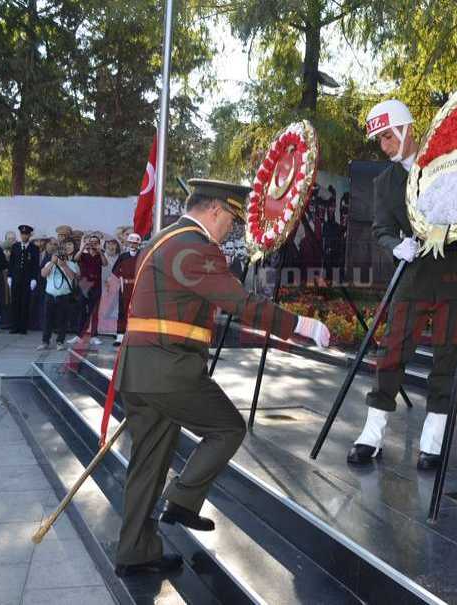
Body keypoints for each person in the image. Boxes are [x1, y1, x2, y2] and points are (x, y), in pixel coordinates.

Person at [113, 179, 330, 577]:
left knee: (146, 464)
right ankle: (181, 499)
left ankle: (135, 552)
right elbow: (240, 303)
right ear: (214, 211)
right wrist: (300, 324)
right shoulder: (195, 248)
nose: (230, 229)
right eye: (230, 219)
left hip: (138, 369)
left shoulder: (162, 239)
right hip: (169, 370)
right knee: (228, 428)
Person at [347, 99, 457, 471]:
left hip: (454, 271)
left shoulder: (445, 161)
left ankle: (433, 440)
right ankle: (373, 433)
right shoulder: (385, 182)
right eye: (380, 139)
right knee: (391, 352)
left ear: (406, 129)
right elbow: (382, 229)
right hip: (413, 274)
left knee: (447, 358)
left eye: (388, 136)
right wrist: (393, 245)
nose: (385, 146)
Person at [38, 240, 79, 350]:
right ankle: (45, 341)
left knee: (62, 320)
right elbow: (43, 274)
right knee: (47, 320)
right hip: (50, 295)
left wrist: (64, 266)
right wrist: (52, 262)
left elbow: (72, 277)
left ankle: (60, 342)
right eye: (57, 254)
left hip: (64, 296)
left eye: (62, 255)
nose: (60, 256)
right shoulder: (49, 263)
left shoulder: (71, 264)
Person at [71, 233, 107, 345]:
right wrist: (82, 248)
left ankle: (94, 336)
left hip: (96, 285)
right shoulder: (84, 255)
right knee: (82, 310)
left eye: (96, 242)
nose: (93, 244)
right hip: (84, 284)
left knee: (94, 312)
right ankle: (79, 335)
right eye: (92, 242)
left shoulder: (100, 255)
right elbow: (75, 259)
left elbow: (105, 263)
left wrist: (100, 251)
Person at [7, 224, 39, 334]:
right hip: (16, 278)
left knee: (25, 303)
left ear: (29, 235)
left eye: (26, 234)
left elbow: (35, 265)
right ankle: (14, 326)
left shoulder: (34, 248)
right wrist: (9, 276)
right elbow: (11, 263)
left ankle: (23, 327)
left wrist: (34, 279)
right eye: (22, 234)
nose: (24, 236)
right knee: (15, 302)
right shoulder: (15, 246)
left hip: (27, 279)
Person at [110, 233, 141, 347]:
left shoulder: (142, 255)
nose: (133, 245)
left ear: (138, 244)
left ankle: (134, 335)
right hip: (125, 287)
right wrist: (121, 277)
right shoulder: (123, 256)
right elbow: (115, 270)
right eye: (131, 243)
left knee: (136, 311)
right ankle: (120, 335)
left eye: (135, 243)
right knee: (122, 311)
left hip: (137, 287)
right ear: (128, 243)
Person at [99, 238, 121, 335]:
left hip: (117, 287)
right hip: (102, 286)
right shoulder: (101, 257)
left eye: (113, 244)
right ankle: (101, 330)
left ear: (117, 246)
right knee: (102, 307)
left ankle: (113, 330)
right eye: (108, 244)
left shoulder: (121, 257)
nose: (111, 246)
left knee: (115, 309)